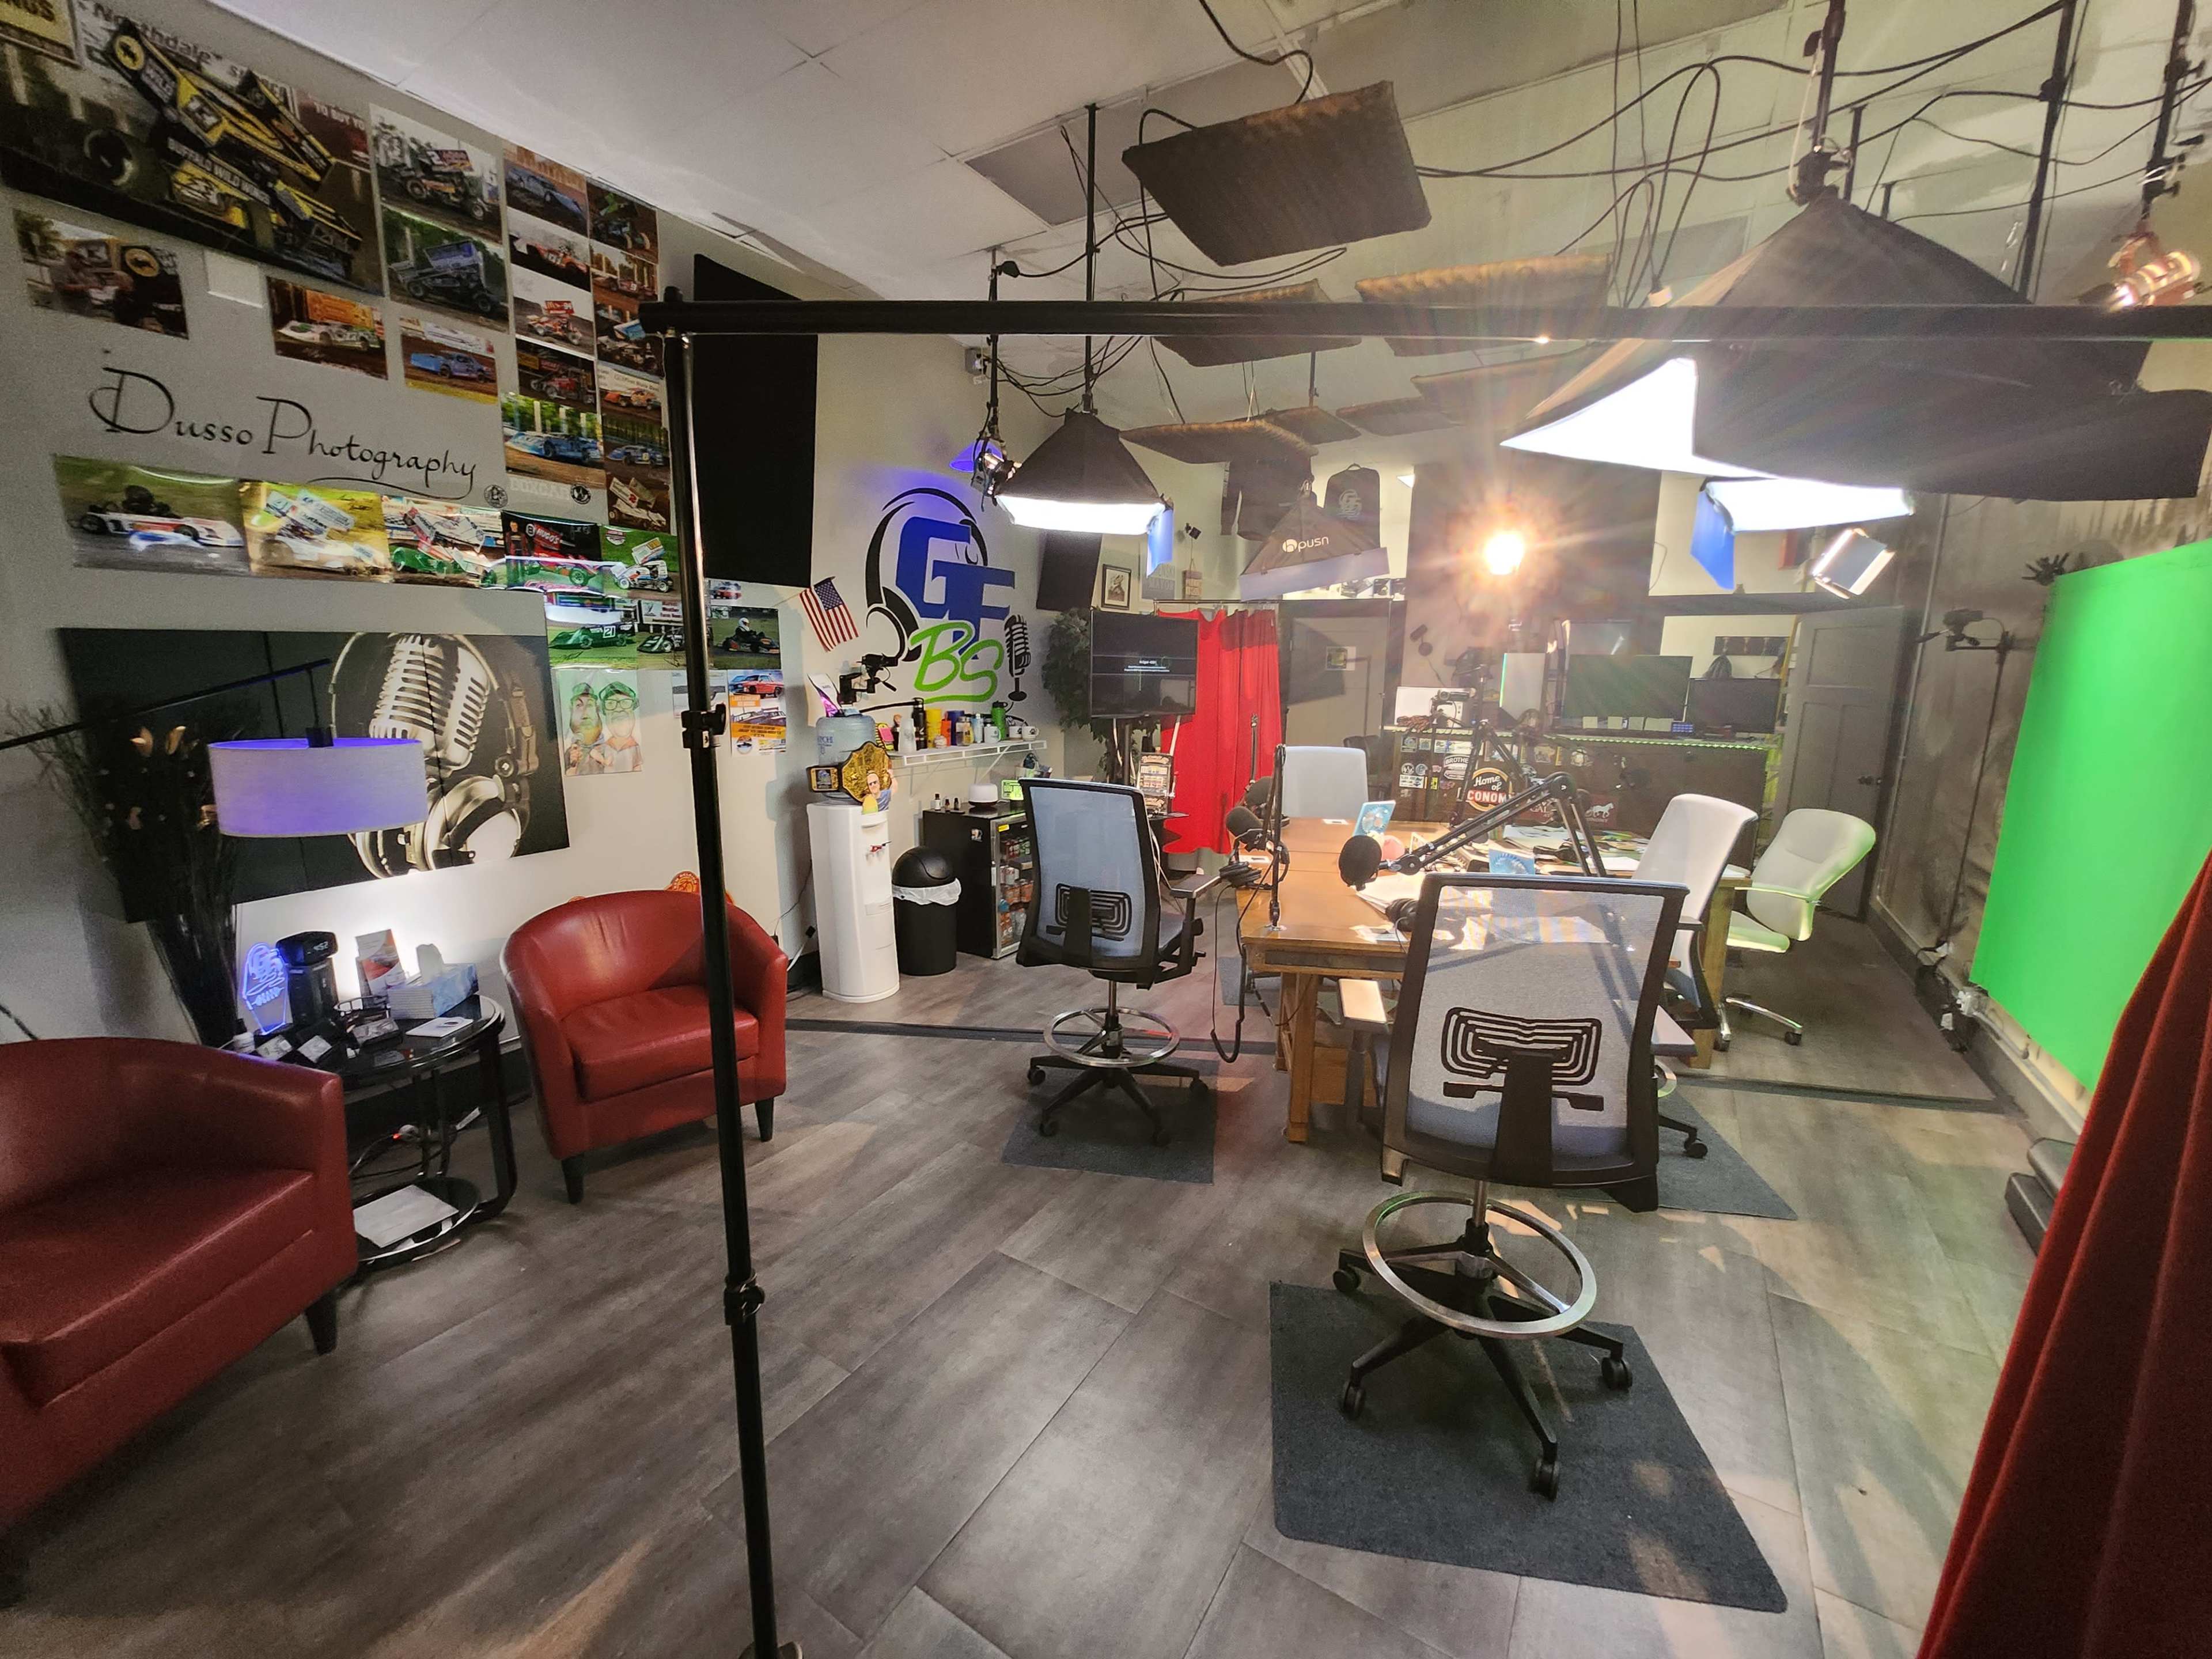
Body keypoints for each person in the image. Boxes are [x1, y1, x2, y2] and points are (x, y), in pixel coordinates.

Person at [597, 680, 642, 772]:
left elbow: (638, 769)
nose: (618, 709)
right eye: (610, 704)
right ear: (604, 711)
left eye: (625, 702)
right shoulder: (603, 748)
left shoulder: (636, 747)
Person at [563, 682, 605, 775]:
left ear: (597, 710)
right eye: (579, 705)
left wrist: (603, 761)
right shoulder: (569, 754)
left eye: (589, 705)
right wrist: (573, 766)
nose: (584, 712)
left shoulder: (609, 748)